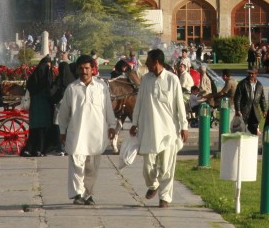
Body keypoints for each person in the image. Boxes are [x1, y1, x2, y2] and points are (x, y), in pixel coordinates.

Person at [130, 49, 188, 208]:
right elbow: (139, 102)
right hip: (149, 129)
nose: (145, 63)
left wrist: (184, 126)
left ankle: (165, 198)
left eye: (148, 60)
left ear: (156, 61)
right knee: (148, 168)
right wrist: (134, 123)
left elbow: (179, 105)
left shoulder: (172, 79)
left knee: (167, 168)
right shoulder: (146, 80)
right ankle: (153, 185)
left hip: (168, 131)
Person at [58, 55, 116, 206]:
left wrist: (111, 125)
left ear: (93, 69)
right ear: (77, 69)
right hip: (77, 133)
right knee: (77, 163)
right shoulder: (72, 89)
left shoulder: (101, 87)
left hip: (96, 133)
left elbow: (108, 108)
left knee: (92, 167)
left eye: (87, 68)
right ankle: (78, 193)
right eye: (82, 68)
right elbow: (64, 112)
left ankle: (88, 194)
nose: (84, 71)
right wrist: (62, 130)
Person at [22, 56, 56, 157]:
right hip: (44, 106)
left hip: (35, 107)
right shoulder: (46, 79)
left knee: (34, 130)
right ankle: (39, 149)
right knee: (42, 130)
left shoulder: (34, 78)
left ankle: (30, 149)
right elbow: (50, 91)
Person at [233, 67, 266, 134]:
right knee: (242, 131)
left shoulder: (259, 85)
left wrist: (264, 110)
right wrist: (238, 110)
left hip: (255, 112)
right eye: (249, 73)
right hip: (244, 110)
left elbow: (262, 99)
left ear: (256, 74)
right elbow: (237, 98)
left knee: (253, 131)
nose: (250, 75)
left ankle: (253, 143)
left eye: (252, 73)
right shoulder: (242, 84)